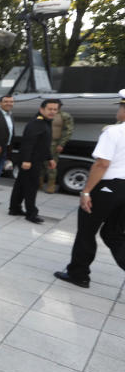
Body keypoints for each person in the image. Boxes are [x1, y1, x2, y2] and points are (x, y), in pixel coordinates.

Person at [54, 89, 125, 287]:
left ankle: (78, 274)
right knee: (114, 233)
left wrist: (86, 191)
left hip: (107, 187)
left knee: (87, 230)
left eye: (121, 105)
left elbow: (102, 164)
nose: (118, 110)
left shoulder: (114, 132)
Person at [9, 99, 59, 223]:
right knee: (31, 187)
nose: (52, 111)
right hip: (31, 161)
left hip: (35, 159)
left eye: (55, 109)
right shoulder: (37, 123)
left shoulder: (46, 122)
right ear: (42, 109)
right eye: (50, 109)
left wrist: (50, 158)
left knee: (20, 185)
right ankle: (31, 214)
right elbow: (28, 143)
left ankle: (14, 208)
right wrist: (26, 160)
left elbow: (43, 144)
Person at [44, 101, 74, 194]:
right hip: (42, 142)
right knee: (39, 164)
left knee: (51, 164)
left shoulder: (64, 116)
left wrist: (61, 144)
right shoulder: (44, 115)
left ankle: (51, 186)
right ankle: (38, 183)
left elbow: (68, 131)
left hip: (54, 143)